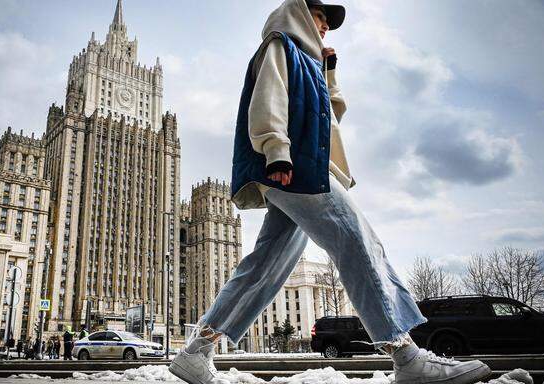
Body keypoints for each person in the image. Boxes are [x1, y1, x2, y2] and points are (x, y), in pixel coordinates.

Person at [168, 1, 492, 384]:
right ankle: (406, 356)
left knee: (267, 264)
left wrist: (329, 72)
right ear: (302, 14)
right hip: (298, 169)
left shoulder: (310, 62)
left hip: (303, 168)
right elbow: (267, 101)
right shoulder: (280, 46)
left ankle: (197, 350)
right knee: (357, 241)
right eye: (320, 18)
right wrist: (276, 153)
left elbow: (332, 117)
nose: (325, 27)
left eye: (327, 23)